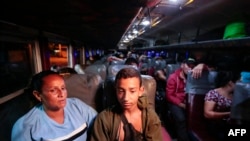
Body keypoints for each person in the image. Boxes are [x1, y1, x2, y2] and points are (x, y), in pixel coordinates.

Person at [11, 70, 97, 141]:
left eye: (63, 88)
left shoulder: (77, 106)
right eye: (53, 90)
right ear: (38, 95)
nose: (61, 94)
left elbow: (99, 126)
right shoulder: (26, 126)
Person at [90, 67, 163, 141]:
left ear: (140, 91)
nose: (126, 98)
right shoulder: (104, 119)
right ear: (116, 90)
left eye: (132, 91)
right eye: (121, 91)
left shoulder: (150, 118)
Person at [166, 58, 196, 141]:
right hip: (175, 101)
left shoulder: (195, 78)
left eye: (192, 66)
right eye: (188, 66)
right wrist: (181, 104)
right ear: (182, 65)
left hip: (188, 101)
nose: (190, 68)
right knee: (181, 119)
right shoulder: (173, 77)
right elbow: (169, 95)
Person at [204, 70, 240, 140]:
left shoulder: (236, 95)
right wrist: (229, 114)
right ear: (231, 83)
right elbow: (208, 114)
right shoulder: (214, 93)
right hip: (219, 127)